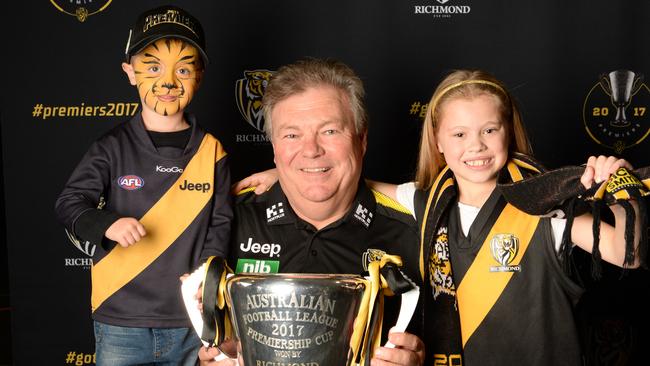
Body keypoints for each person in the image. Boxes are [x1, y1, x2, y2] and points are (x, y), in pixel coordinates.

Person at [234, 69, 643, 365]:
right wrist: (289, 172)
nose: (476, 146)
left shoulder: (546, 208)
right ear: (439, 143)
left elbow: (628, 254)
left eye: (489, 130)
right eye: (460, 134)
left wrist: (623, 186)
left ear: (508, 132)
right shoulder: (426, 202)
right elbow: (353, 179)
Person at [198, 58, 425, 366]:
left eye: (330, 131)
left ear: (362, 139)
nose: (311, 149)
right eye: (292, 135)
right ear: (275, 148)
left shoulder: (416, 231)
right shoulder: (228, 221)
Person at [55, 5, 232, 365]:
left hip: (189, 321)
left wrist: (203, 278)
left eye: (183, 69)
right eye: (153, 67)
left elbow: (221, 224)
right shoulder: (111, 147)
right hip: (120, 318)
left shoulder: (213, 151)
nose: (168, 82)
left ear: (199, 75)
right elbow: (70, 202)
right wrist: (107, 224)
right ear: (130, 73)